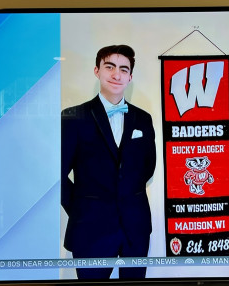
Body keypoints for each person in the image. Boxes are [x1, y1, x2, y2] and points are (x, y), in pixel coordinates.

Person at [61, 45, 156, 279]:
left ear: (130, 77)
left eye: (124, 69)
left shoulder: (143, 119)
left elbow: (147, 167)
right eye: (109, 66)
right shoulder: (72, 118)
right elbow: (58, 176)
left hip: (135, 227)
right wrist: (83, 209)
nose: (117, 74)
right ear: (97, 71)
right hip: (90, 228)